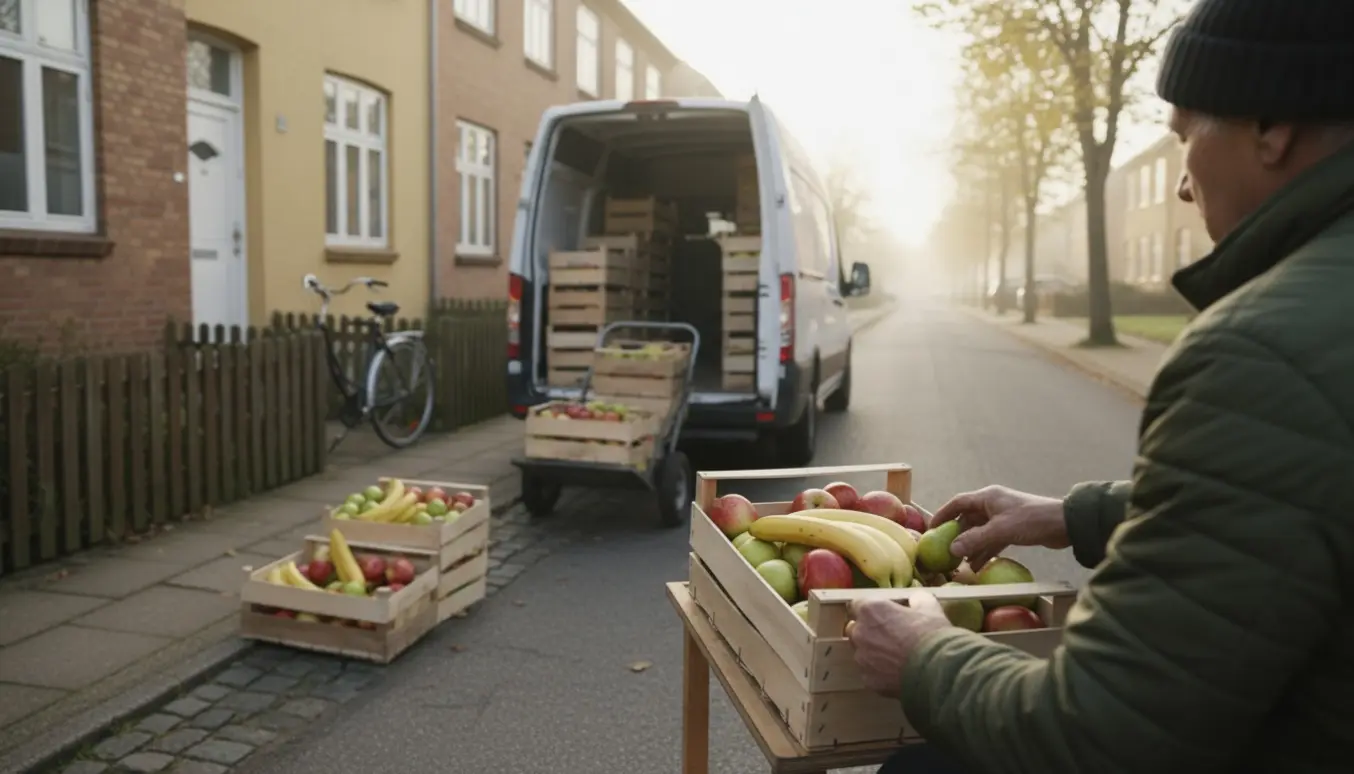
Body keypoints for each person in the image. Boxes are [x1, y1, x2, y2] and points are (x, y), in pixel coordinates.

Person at [848, 1, 1354, 772]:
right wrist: (1071, 515)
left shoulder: (1257, 353)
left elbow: (1100, 736)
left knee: (928, 760)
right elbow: (1305, 491)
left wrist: (925, 656)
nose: (1184, 185)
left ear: (1271, 127)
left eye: (1186, 135)